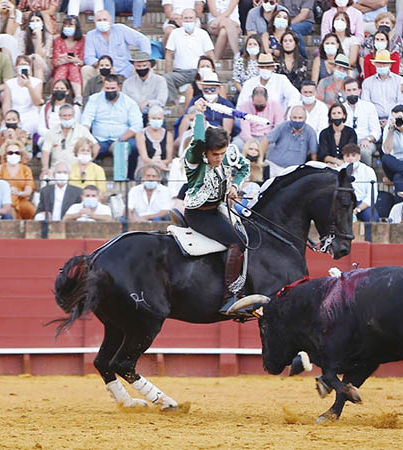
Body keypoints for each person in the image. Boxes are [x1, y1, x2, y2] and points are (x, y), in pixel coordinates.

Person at [182, 98, 255, 316]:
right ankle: (229, 296)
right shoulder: (196, 155)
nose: (220, 158)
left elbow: (244, 167)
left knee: (247, 233)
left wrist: (234, 185)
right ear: (206, 151)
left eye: (222, 154)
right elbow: (196, 139)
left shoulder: (227, 152)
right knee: (237, 241)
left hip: (218, 208)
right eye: (215, 155)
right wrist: (198, 115)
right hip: (198, 213)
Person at [81, 74, 143, 179]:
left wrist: (119, 140)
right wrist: (90, 140)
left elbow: (137, 125)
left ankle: (128, 178)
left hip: (122, 139)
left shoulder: (129, 103)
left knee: (132, 147)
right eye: (107, 88)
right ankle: (89, 178)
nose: (110, 91)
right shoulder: (94, 99)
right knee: (86, 148)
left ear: (119, 87)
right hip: (99, 140)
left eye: (113, 88)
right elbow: (86, 121)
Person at [82, 9, 151, 85]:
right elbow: (88, 57)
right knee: (86, 70)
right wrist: (103, 66)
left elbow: (142, 40)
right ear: (95, 22)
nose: (102, 22)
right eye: (99, 20)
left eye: (105, 19)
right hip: (102, 70)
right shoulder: (90, 35)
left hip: (125, 70)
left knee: (146, 69)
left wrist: (143, 59)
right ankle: (87, 95)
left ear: (111, 20)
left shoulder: (121, 29)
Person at [41, 104, 98, 178]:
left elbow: (96, 146)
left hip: (77, 169)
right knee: (45, 182)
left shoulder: (82, 130)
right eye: (64, 116)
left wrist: (88, 162)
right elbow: (45, 151)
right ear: (60, 117)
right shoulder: (52, 132)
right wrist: (45, 168)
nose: (67, 118)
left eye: (69, 115)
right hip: (57, 170)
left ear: (73, 116)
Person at [260, 104, 317, 176]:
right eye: (294, 117)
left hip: (294, 170)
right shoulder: (283, 126)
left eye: (300, 118)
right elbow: (266, 139)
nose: (297, 120)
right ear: (290, 117)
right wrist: (260, 160)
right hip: (274, 166)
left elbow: (314, 154)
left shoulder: (310, 132)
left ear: (305, 118)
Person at [236, 53, 300, 112]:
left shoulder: (281, 80)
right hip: (254, 119)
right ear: (258, 68)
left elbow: (295, 96)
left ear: (273, 68)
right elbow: (241, 104)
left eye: (268, 67)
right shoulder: (249, 83)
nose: (265, 69)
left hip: (278, 119)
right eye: (262, 67)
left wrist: (287, 112)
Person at [181, 72, 236, 137]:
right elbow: (187, 117)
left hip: (218, 136)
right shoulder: (196, 101)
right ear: (202, 89)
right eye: (206, 89)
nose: (209, 92)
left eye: (213, 89)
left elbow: (227, 131)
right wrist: (181, 137)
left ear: (219, 89)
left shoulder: (226, 104)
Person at [341, 78, 380, 166]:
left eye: (354, 90)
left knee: (364, 152)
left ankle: (367, 177)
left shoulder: (369, 107)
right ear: (344, 92)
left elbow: (376, 131)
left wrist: (367, 139)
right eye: (349, 90)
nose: (352, 93)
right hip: (346, 141)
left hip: (365, 141)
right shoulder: (341, 108)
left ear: (359, 91)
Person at [122, 51, 168, 124]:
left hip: (154, 115)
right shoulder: (127, 83)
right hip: (134, 116)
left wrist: (148, 103)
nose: (142, 68)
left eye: (144, 65)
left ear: (149, 66)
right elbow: (125, 103)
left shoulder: (160, 81)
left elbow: (161, 101)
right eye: (139, 66)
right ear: (134, 66)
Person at [361, 50, 403, 128]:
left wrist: (391, 119)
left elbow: (401, 103)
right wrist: (375, 121)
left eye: (385, 64)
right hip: (373, 121)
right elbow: (366, 105)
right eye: (379, 64)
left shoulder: (399, 81)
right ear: (375, 64)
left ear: (390, 65)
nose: (382, 66)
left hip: (395, 120)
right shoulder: (367, 82)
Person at [0, 139, 35, 219]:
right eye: (10, 153)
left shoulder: (26, 169)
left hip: (21, 200)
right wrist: (8, 190)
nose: (14, 155)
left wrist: (19, 193)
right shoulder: (0, 168)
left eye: (17, 153)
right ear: (5, 154)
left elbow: (28, 190)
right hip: (4, 201)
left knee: (34, 212)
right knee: (10, 212)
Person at [5, 55, 42, 136]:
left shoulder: (37, 82)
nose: (23, 66)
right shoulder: (10, 83)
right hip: (14, 115)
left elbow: (37, 103)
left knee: (25, 131)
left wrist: (29, 86)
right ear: (16, 68)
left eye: (26, 64)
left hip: (30, 115)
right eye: (21, 64)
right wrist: (7, 117)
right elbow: (6, 104)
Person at [52, 15, 84, 103]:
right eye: (65, 25)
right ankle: (55, 93)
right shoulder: (58, 40)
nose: (67, 27)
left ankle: (78, 96)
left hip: (76, 67)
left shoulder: (83, 40)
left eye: (70, 25)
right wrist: (61, 60)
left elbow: (83, 61)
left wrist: (76, 60)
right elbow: (54, 62)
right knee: (64, 67)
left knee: (72, 67)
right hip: (61, 67)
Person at [342, 143, 377, 222]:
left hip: (361, 203)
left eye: (353, 155)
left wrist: (357, 209)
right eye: (347, 156)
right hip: (343, 204)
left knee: (373, 219)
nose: (350, 158)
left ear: (359, 157)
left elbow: (372, 196)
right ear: (343, 157)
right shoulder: (339, 170)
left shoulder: (368, 171)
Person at [38, 80, 80, 145]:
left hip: (68, 139)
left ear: (67, 91)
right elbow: (41, 128)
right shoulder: (45, 107)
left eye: (62, 88)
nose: (59, 90)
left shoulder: (75, 108)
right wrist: (53, 136)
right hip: (49, 138)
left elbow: (76, 126)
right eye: (56, 88)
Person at [135, 105, 175, 173]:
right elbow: (144, 158)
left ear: (163, 119)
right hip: (146, 165)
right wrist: (157, 165)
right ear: (148, 118)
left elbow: (169, 159)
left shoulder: (168, 135)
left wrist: (161, 164)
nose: (156, 120)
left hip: (164, 166)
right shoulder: (141, 134)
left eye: (159, 118)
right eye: (153, 118)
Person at [318, 102, 357, 167]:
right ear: (330, 116)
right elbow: (323, 154)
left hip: (347, 164)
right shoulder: (324, 133)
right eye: (333, 113)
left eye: (339, 113)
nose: (336, 115)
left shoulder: (351, 132)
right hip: (328, 165)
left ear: (344, 115)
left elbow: (351, 152)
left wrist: (342, 163)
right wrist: (336, 161)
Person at [17, 11, 52, 83]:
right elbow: (21, 55)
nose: (35, 23)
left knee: (36, 58)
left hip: (42, 67)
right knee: (33, 59)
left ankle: (38, 90)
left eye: (37, 20)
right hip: (26, 65)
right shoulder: (23, 35)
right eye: (32, 21)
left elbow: (41, 56)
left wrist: (39, 37)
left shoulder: (48, 36)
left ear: (42, 22)